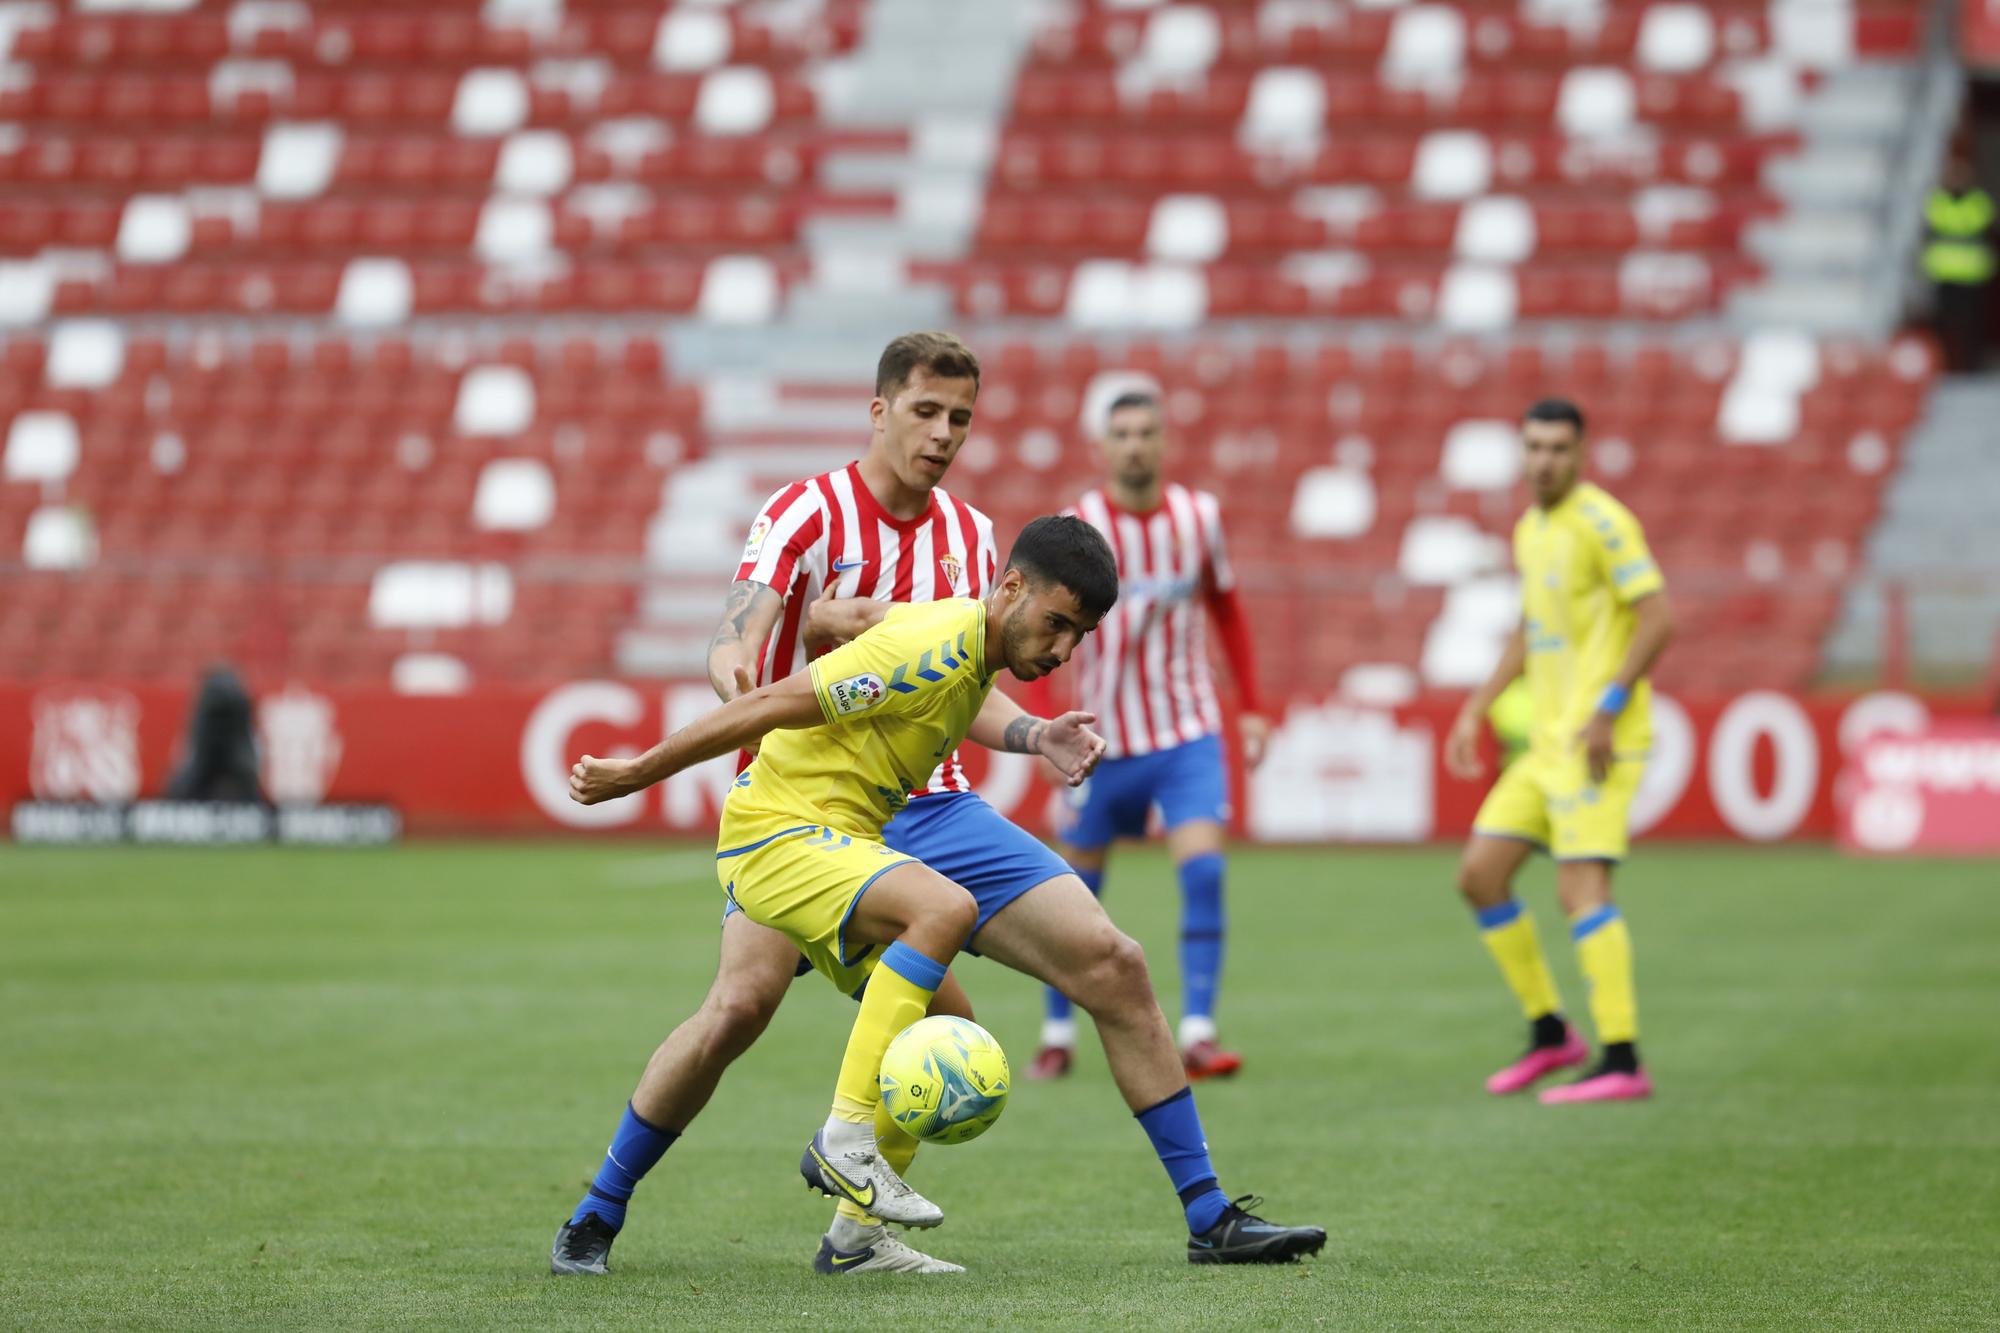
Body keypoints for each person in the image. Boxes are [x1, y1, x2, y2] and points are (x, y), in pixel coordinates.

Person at [551, 335, 1322, 1276]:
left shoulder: (970, 538)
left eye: (960, 418)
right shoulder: (804, 512)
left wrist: (1036, 734)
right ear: (880, 411)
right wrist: (773, 666)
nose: (944, 433)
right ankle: (597, 1212)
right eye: (926, 411)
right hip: (808, 802)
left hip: (936, 806)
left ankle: (1204, 1215)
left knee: (1106, 966)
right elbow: (737, 648)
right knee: (738, 1007)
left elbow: (967, 677)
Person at [1030, 390, 1269, 1083]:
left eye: (1146, 433)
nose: (1134, 445)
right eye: (1122, 434)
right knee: (1070, 890)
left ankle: (1197, 1029)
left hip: (1184, 730)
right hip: (1101, 735)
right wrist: (1046, 721)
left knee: (1205, 868)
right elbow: (1041, 618)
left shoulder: (1200, 518)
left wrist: (1250, 706)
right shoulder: (1081, 525)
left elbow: (1226, 606)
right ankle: (1056, 1031)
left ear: (1163, 443)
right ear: (1103, 448)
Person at [1444, 399, 1675, 1104]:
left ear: (1580, 454)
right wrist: (1477, 704)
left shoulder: (1603, 521)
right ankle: (1552, 1033)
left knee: (1581, 890)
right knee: (1481, 874)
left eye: (1557, 449)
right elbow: (1528, 628)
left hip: (1597, 742)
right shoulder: (1532, 527)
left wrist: (1608, 707)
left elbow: (1659, 617)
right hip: (1547, 743)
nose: (1544, 460)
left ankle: (1624, 1057)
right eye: (1534, 447)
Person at [1923, 153, 1995, 374]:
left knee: (1971, 326)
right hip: (1943, 274)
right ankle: (1944, 366)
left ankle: (1970, 367)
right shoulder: (1935, 202)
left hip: (1972, 275)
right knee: (1942, 326)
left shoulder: (1979, 202)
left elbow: (1988, 233)